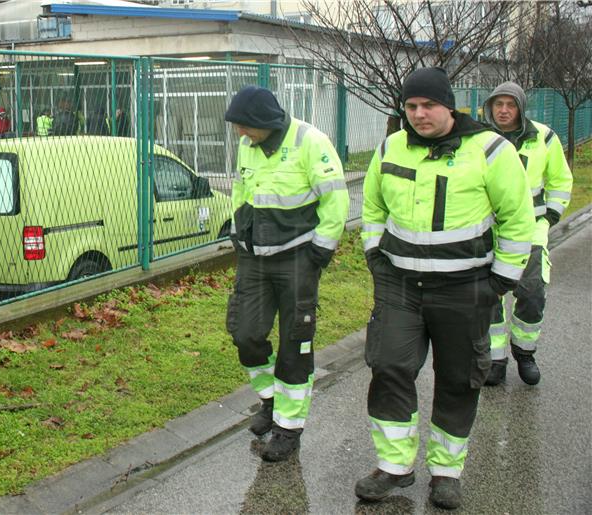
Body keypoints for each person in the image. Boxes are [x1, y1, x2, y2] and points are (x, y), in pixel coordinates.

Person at [356, 67, 535, 510]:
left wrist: (501, 281)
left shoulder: (490, 150)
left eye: (428, 106)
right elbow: (373, 206)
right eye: (411, 106)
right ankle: (395, 466)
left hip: (465, 288)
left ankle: (446, 473)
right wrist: (375, 255)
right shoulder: (390, 146)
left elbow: (517, 219)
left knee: (458, 379)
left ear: (449, 106)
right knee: (389, 367)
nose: (419, 114)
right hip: (399, 286)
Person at [224, 86, 349, 462]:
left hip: (298, 258)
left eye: (245, 127)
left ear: (265, 122)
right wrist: (237, 231)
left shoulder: (310, 141)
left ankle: (288, 428)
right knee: (245, 334)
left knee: (296, 343)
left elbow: (335, 197)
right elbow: (242, 188)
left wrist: (320, 250)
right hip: (255, 258)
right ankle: (270, 400)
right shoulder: (249, 144)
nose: (239, 135)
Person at [481, 82, 573, 386]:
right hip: (489, 233)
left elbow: (560, 180)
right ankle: (495, 361)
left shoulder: (544, 137)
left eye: (511, 105)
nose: (504, 110)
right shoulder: (479, 139)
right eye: (498, 104)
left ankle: (525, 353)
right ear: (490, 107)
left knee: (532, 295)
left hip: (531, 233)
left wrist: (550, 216)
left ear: (521, 107)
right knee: (488, 298)